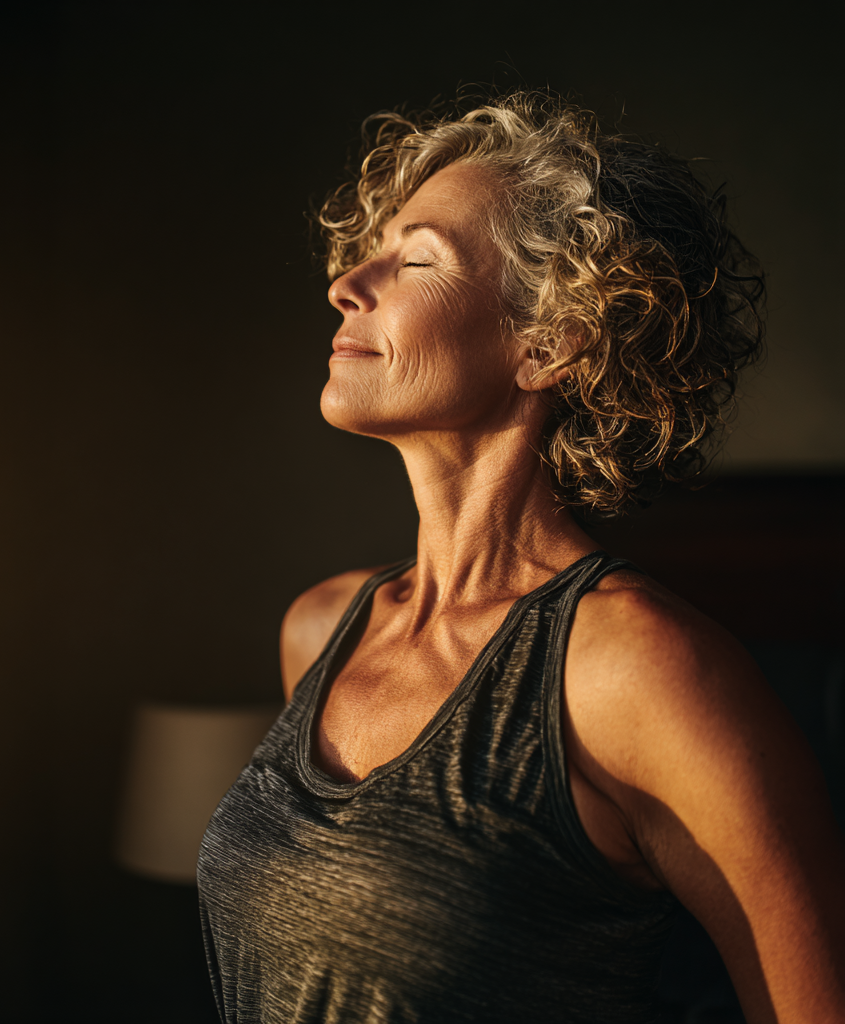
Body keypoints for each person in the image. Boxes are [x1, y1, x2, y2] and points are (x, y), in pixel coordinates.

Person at [196, 91, 845, 1023]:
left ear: (549, 343)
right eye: (368, 249)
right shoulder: (321, 626)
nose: (347, 282)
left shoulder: (639, 671)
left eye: (417, 258)